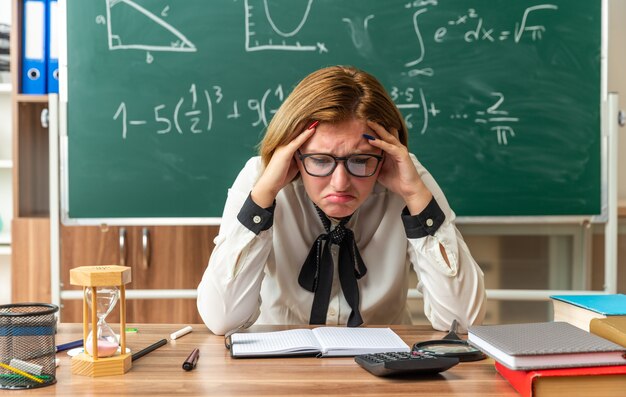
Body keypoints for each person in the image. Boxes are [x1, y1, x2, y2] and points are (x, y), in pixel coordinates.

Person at [197, 65, 486, 336]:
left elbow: (462, 320)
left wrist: (417, 199)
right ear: (295, 153)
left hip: (384, 367)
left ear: (384, 154)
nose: (340, 183)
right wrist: (261, 201)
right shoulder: (261, 179)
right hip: (279, 363)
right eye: (320, 160)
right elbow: (223, 319)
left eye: (360, 160)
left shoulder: (407, 177)